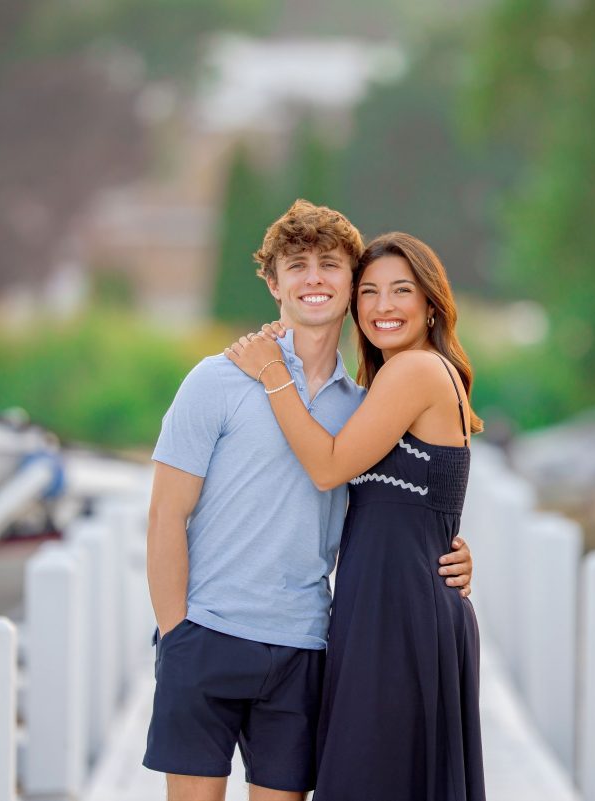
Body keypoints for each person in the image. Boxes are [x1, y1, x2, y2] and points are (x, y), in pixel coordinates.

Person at [144, 201, 474, 801]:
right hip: (207, 634)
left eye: (330, 266)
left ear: (348, 286)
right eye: (296, 266)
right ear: (274, 283)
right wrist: (176, 634)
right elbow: (166, 513)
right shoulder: (215, 381)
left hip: (305, 647)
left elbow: (404, 491)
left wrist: (448, 548)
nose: (313, 279)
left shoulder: (364, 406)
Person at [226, 231, 485, 801]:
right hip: (386, 610)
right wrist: (449, 544)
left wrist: (273, 373)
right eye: (369, 291)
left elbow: (328, 467)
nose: (383, 306)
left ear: (431, 303)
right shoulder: (391, 382)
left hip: (400, 619)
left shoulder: (415, 370)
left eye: (401, 290)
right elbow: (420, 506)